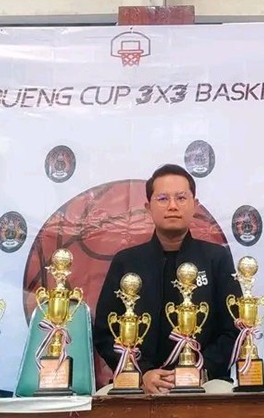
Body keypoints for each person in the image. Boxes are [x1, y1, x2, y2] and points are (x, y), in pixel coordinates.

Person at [93, 164, 239, 394]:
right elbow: (105, 332)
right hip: (139, 380)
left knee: (223, 396)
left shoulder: (216, 258)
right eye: (162, 199)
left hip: (205, 379)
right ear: (148, 207)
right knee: (102, 400)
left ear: (194, 205)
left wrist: (201, 370)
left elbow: (233, 329)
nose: (172, 206)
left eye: (181, 198)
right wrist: (142, 373)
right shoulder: (126, 262)